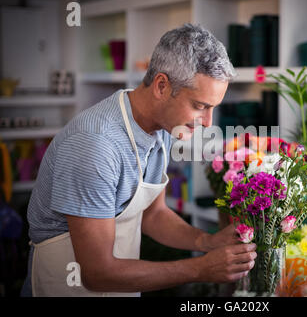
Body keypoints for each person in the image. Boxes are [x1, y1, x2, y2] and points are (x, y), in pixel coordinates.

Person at [21, 24, 256, 297]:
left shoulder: (163, 128)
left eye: (213, 108)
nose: (207, 122)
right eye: (200, 106)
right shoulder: (96, 145)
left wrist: (207, 241)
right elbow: (97, 274)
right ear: (161, 86)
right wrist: (200, 269)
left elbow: (153, 215)